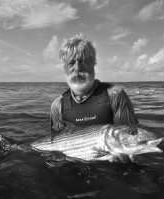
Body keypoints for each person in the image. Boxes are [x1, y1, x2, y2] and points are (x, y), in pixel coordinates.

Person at [50, 33, 138, 162]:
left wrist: (130, 157)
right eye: (71, 63)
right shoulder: (58, 105)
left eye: (83, 61)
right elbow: (54, 152)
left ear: (94, 63)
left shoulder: (115, 94)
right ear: (64, 68)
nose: (77, 68)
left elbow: (130, 139)